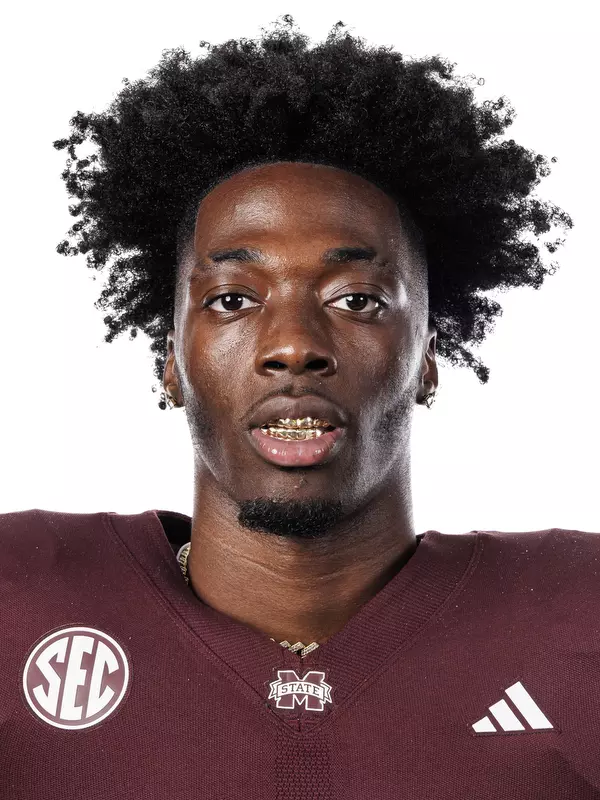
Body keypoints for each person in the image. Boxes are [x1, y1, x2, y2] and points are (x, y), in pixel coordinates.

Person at [3, 16, 596, 800]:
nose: (292, 346)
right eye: (232, 299)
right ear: (170, 360)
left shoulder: (578, 616)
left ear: (427, 356)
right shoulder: (22, 593)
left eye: (356, 298)